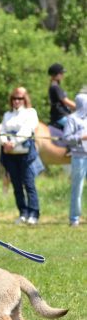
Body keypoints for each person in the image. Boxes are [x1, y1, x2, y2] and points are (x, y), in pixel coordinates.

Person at [0, 87, 40, 225]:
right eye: (14, 98)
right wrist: (5, 143)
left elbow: (27, 130)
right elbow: (2, 131)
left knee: (29, 184)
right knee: (16, 185)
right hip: (11, 155)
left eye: (20, 98)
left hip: (25, 154)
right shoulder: (7, 115)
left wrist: (14, 142)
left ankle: (33, 213)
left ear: (24, 99)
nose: (17, 101)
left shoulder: (30, 113)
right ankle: (23, 212)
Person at [63, 87, 87, 227]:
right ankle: (74, 218)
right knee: (77, 188)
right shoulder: (72, 119)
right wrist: (82, 137)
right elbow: (66, 138)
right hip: (79, 157)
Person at [48, 63, 75, 130]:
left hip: (61, 115)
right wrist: (80, 106)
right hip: (60, 116)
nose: (63, 75)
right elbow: (65, 101)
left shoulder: (55, 86)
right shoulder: (55, 87)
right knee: (79, 127)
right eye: (61, 73)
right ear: (55, 74)